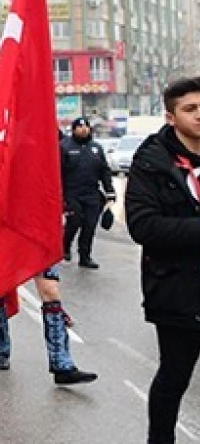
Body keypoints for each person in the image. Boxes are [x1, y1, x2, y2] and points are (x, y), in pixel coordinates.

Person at [125, 76, 200, 444]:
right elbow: (143, 225)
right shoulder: (151, 161)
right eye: (191, 109)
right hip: (177, 288)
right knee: (174, 377)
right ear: (171, 117)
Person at [0, 266, 98, 385]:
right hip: (3, 249)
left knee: (50, 291)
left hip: (39, 248)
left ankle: (62, 365)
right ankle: (1, 349)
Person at [60, 116, 116, 268]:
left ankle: (85, 256)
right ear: (74, 129)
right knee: (74, 221)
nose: (84, 129)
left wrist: (110, 191)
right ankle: (64, 247)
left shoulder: (96, 148)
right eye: (80, 127)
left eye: (86, 127)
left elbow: (104, 171)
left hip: (92, 193)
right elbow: (57, 172)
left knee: (90, 225)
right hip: (71, 193)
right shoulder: (64, 147)